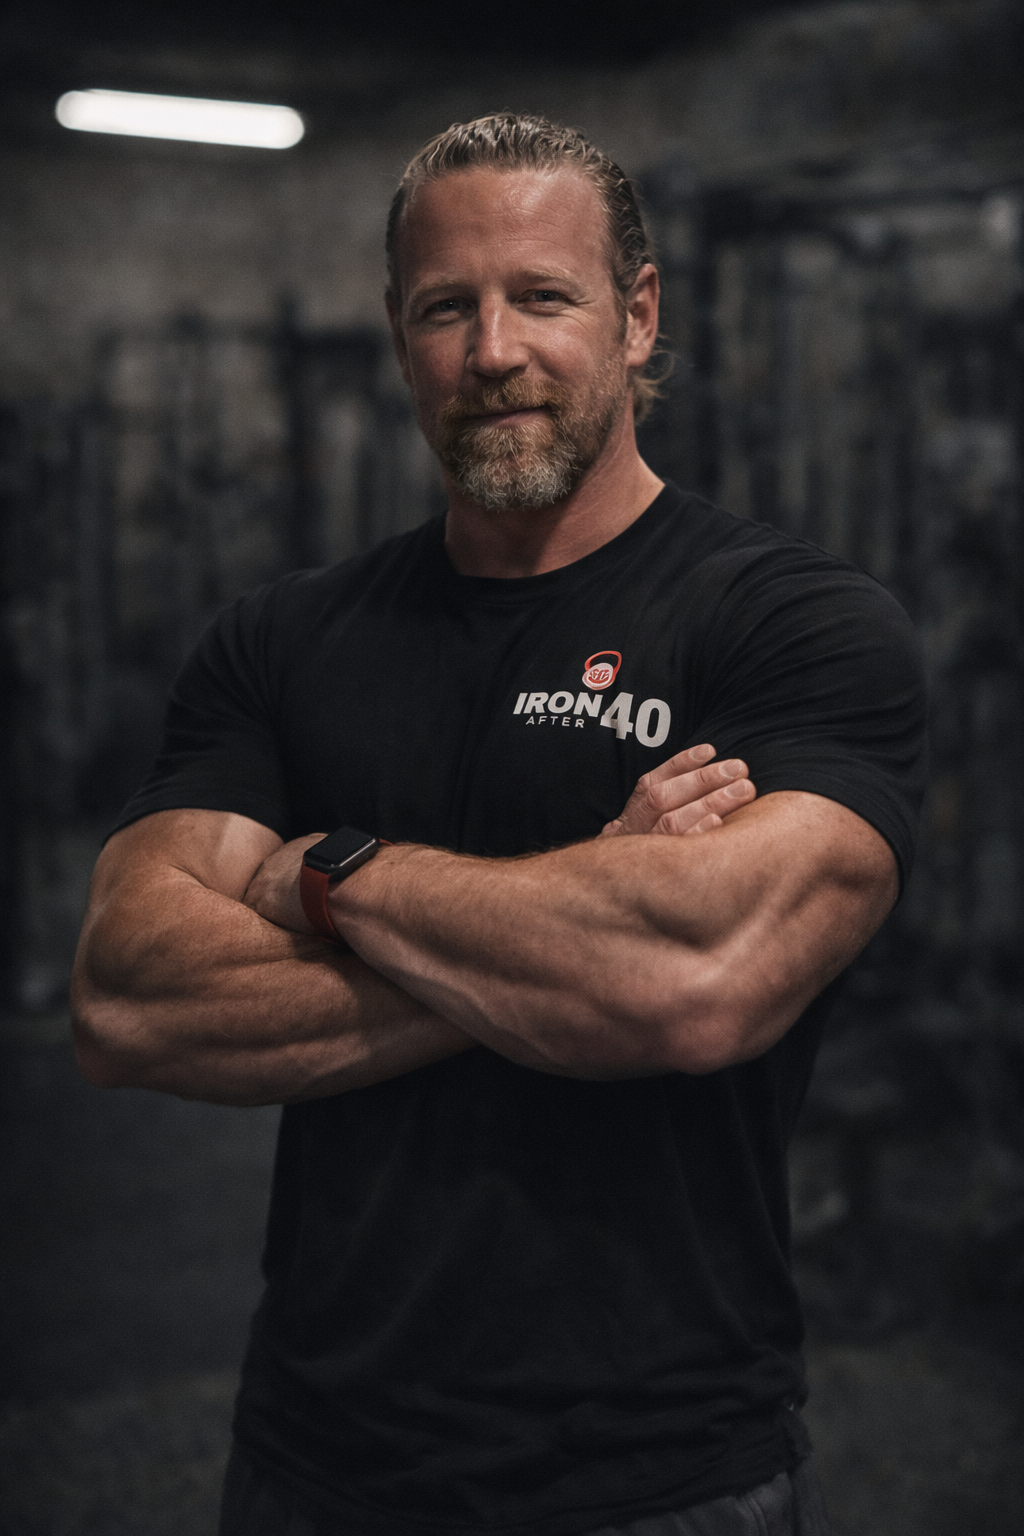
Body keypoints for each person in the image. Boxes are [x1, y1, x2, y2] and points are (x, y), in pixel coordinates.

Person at [71, 114, 927, 1536]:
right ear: (399, 336)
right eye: (443, 308)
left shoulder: (792, 629)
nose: (493, 353)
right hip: (316, 1461)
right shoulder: (280, 642)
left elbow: (698, 980)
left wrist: (332, 873)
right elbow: (125, 996)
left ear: (637, 315)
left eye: (543, 296)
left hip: (665, 1470)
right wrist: (584, 911)